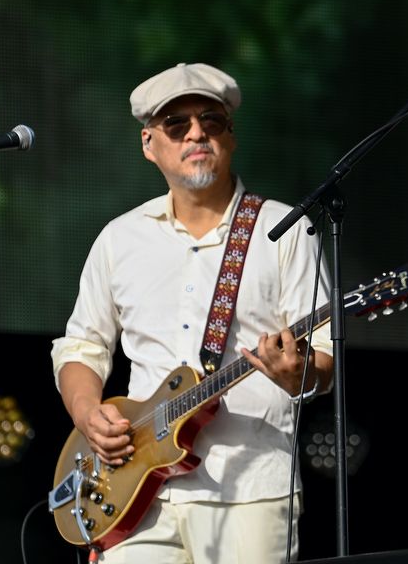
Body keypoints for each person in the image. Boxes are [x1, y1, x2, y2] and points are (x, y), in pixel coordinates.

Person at [51, 62, 333, 564]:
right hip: (133, 490)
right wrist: (87, 413)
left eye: (211, 120)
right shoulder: (120, 238)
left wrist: (300, 373)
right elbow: (82, 346)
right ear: (148, 143)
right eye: (176, 125)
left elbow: (325, 358)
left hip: (249, 486)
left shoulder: (285, 229)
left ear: (231, 136)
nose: (196, 133)